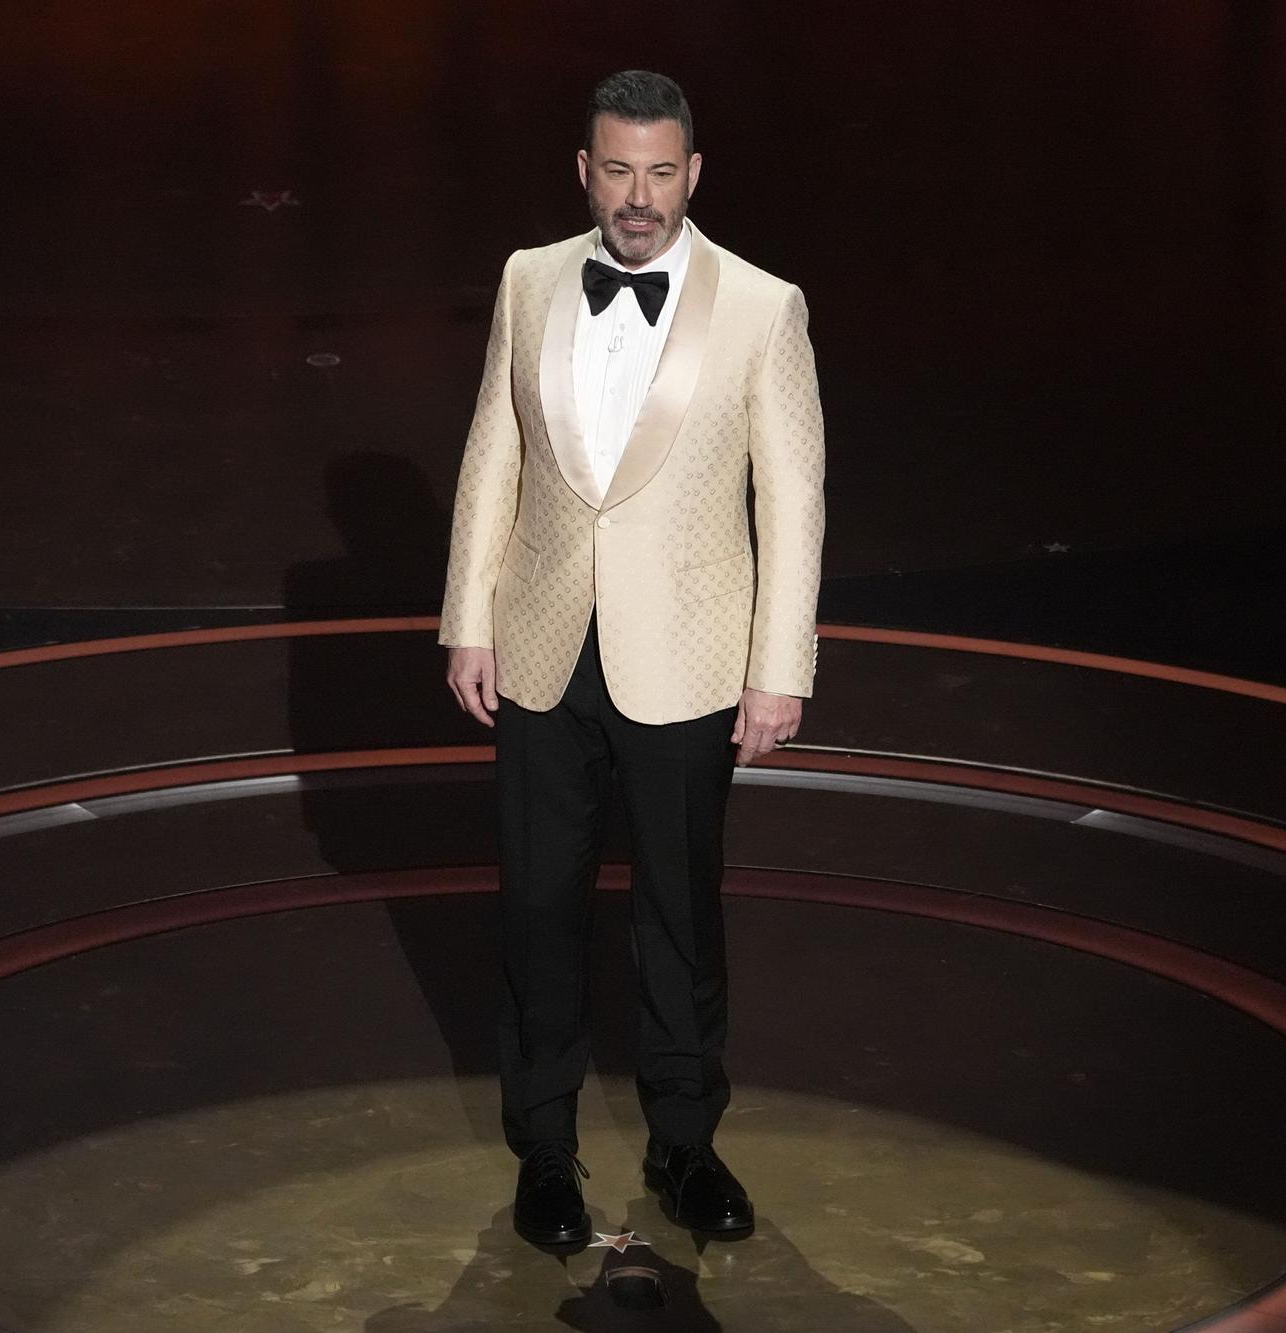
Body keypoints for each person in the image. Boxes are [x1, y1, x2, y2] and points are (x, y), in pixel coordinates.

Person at [438, 68, 825, 1247]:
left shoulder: (763, 307)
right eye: (617, 170)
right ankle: (544, 1155)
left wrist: (781, 665)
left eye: (660, 173)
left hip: (691, 658)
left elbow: (792, 494)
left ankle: (683, 1144)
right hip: (544, 646)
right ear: (584, 171)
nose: (638, 196)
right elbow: (493, 445)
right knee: (537, 910)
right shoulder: (530, 278)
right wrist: (467, 612)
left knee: (678, 914)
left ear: (692, 175)